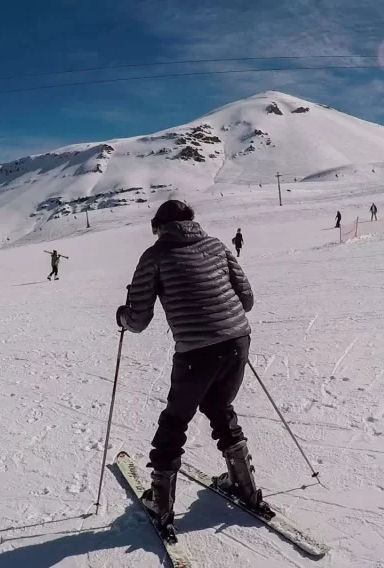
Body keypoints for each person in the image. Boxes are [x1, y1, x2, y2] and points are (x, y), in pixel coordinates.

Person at [116, 200, 266, 532]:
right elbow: (247, 300)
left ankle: (161, 502)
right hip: (238, 339)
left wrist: (122, 316)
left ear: (159, 226)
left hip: (197, 351)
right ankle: (243, 485)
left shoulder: (154, 256)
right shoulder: (216, 246)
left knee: (175, 420)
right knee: (218, 404)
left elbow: (138, 320)